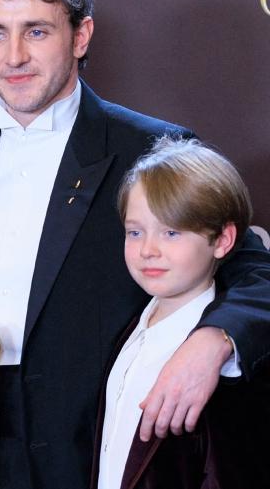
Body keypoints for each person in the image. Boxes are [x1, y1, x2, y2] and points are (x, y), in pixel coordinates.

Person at [0, 0, 270, 489]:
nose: (13, 57)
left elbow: (252, 267)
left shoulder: (152, 145)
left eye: (36, 31)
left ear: (80, 36)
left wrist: (213, 341)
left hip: (100, 444)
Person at [93, 137, 265, 489]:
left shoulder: (229, 369)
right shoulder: (131, 328)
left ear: (222, 241)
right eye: (135, 232)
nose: (147, 250)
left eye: (171, 233)